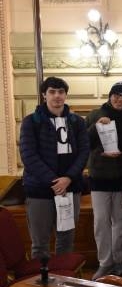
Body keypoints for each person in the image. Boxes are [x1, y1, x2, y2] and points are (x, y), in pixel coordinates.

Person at [19, 77, 89, 259]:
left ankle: (61, 284)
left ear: (66, 95)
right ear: (44, 95)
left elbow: (84, 153)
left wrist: (68, 178)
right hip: (40, 191)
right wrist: (55, 181)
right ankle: (40, 285)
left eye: (61, 92)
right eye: (52, 92)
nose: (57, 96)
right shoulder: (31, 122)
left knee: (66, 241)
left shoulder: (77, 122)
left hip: (70, 189)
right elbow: (28, 155)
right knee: (40, 243)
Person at [85, 81, 122, 280]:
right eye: (116, 95)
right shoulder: (94, 114)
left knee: (120, 222)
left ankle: (117, 261)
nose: (119, 99)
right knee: (101, 222)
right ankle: (104, 262)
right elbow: (84, 143)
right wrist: (95, 127)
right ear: (110, 96)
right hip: (99, 177)